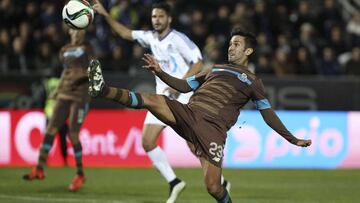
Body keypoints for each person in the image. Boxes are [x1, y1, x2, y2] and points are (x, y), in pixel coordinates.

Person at [88, 27, 312, 202]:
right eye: (230, 44)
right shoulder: (215, 69)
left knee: (213, 187)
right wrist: (161, 72)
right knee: (152, 99)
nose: (230, 48)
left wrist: (292, 139)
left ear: (248, 51)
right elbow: (184, 86)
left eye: (237, 44)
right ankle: (103, 89)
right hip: (189, 113)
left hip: (212, 131)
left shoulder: (253, 82)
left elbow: (268, 114)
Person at [93, 1, 232, 202]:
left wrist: (179, 84)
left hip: (183, 97)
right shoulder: (150, 38)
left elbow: (198, 62)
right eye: (154, 17)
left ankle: (219, 182)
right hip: (162, 98)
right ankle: (174, 182)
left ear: (169, 19)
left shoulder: (178, 39)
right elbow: (125, 33)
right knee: (147, 141)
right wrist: (105, 14)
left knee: (195, 147)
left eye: (160, 16)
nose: (156, 20)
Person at [23, 29, 95, 192]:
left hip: (80, 95)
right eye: (74, 30)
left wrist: (80, 78)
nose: (77, 34)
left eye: (80, 31)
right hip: (64, 93)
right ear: (69, 31)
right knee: (50, 129)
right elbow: (66, 71)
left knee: (73, 133)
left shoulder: (87, 48)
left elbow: (94, 69)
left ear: (84, 32)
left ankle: (80, 174)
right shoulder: (64, 50)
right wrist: (58, 88)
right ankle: (39, 168)